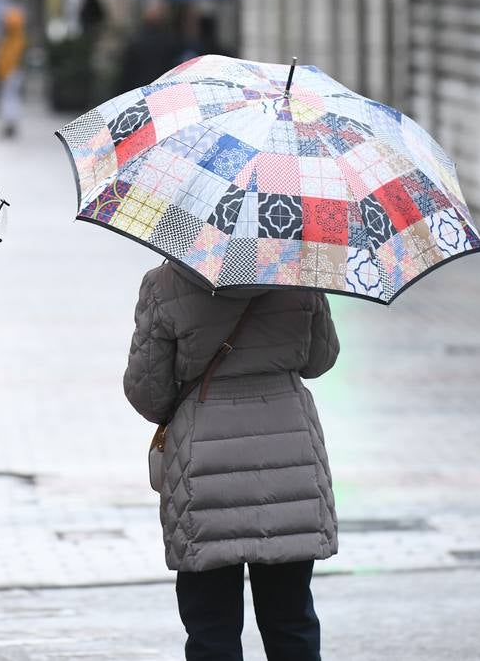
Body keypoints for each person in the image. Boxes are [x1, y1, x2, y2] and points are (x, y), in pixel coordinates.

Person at [124, 262, 340, 660]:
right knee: (291, 620)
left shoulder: (164, 284)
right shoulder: (299, 272)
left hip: (203, 471)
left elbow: (147, 392)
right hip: (288, 462)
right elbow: (320, 359)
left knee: (211, 627)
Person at [117, 0, 182, 92]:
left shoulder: (137, 41)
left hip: (139, 87)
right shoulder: (168, 41)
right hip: (161, 86)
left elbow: (128, 72)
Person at [0, 6, 26, 138]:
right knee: (10, 98)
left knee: (9, 99)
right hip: (11, 73)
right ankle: (9, 123)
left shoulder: (13, 40)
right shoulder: (13, 38)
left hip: (10, 74)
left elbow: (8, 59)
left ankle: (10, 124)